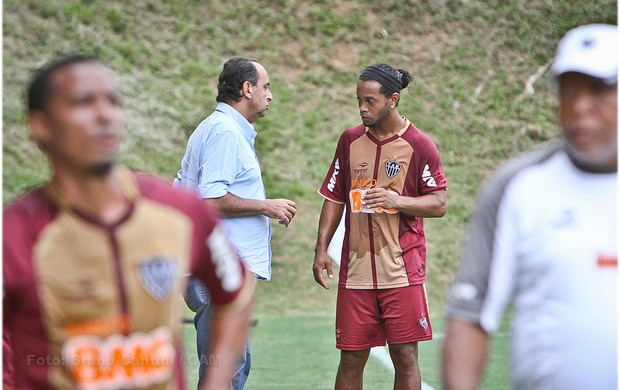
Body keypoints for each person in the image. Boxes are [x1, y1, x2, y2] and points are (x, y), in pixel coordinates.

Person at [2, 54, 253, 389]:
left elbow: (234, 295)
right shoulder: (13, 236)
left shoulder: (182, 212)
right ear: (40, 124)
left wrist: (217, 383)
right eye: (83, 102)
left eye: (112, 101)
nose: (104, 114)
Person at [442, 24, 617, 390]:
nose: (580, 107)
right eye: (569, 91)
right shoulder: (517, 186)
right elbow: (469, 317)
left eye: (599, 90)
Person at [313, 63, 448, 390]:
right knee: (351, 357)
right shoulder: (349, 141)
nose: (362, 107)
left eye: (370, 100)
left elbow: (439, 203)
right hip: (356, 270)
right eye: (359, 99)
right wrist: (320, 250)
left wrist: (397, 200)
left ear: (393, 99)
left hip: (401, 270)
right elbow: (334, 197)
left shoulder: (419, 144)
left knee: (404, 356)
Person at [174, 56, 297, 389]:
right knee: (224, 370)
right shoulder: (225, 132)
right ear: (247, 89)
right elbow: (210, 199)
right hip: (218, 270)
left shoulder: (217, 128)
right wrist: (266, 206)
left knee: (229, 367)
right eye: (266, 86)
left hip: (219, 268)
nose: (270, 95)